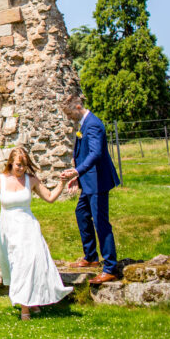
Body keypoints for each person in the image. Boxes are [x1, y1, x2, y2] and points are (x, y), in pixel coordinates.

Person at [0, 146, 72, 320]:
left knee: (30, 263)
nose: (21, 168)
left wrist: (62, 183)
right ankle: (29, 304)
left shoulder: (31, 180)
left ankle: (27, 307)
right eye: (18, 165)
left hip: (28, 226)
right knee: (18, 264)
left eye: (24, 165)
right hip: (9, 228)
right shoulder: (0, 180)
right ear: (11, 163)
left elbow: (49, 198)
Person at [61, 93, 122, 284]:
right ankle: (91, 256)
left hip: (98, 181)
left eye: (70, 114)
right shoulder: (84, 124)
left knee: (101, 223)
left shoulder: (93, 124)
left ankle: (110, 267)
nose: (69, 118)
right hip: (88, 182)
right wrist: (78, 178)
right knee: (81, 214)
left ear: (78, 108)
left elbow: (95, 154)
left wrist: (76, 172)